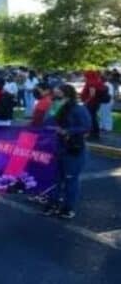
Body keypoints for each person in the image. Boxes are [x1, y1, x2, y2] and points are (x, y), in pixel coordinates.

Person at [43, 85, 91, 219]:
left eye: (59, 95)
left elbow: (86, 127)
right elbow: (46, 122)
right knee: (54, 179)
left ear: (68, 95)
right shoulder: (54, 107)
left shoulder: (79, 108)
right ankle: (52, 203)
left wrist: (67, 131)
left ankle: (68, 208)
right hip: (54, 148)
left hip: (72, 149)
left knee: (70, 180)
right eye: (55, 94)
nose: (56, 97)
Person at [81, 71, 107, 140]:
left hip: (91, 103)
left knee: (91, 118)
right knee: (93, 117)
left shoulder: (91, 82)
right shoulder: (97, 81)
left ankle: (93, 134)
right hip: (95, 103)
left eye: (85, 75)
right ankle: (95, 133)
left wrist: (86, 101)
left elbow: (92, 94)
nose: (84, 77)